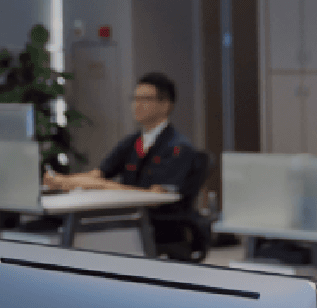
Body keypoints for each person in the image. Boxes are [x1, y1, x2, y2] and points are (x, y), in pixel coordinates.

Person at [42, 72, 204, 254]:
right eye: (134, 98)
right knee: (62, 226)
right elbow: (98, 174)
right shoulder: (133, 141)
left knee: (84, 235)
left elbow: (156, 197)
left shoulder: (178, 147)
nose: (137, 104)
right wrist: (63, 180)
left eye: (145, 99)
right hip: (130, 217)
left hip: (159, 224)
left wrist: (103, 186)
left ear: (165, 105)